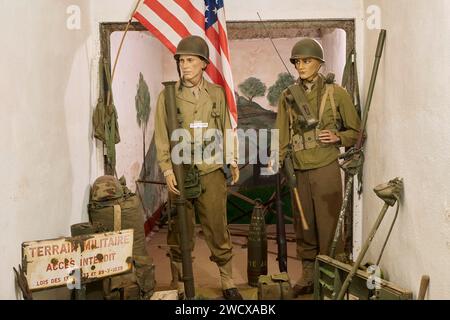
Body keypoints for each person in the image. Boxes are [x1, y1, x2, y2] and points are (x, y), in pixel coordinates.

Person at [154, 35, 242, 300]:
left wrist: (232, 159)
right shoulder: (168, 96)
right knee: (180, 229)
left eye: (190, 60)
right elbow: (161, 135)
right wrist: (168, 169)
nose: (185, 65)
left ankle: (227, 281)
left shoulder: (216, 94)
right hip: (181, 172)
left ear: (204, 63)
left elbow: (226, 128)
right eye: (181, 60)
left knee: (217, 226)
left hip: (211, 169)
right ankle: (181, 284)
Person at [274, 38, 361, 296]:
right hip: (298, 169)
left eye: (307, 61)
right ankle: (309, 275)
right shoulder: (287, 96)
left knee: (330, 224)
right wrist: (282, 163)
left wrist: (338, 138)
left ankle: (330, 276)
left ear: (319, 64)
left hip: (325, 167)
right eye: (297, 62)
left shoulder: (337, 93)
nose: (301, 66)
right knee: (304, 225)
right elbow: (281, 134)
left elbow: (357, 132)